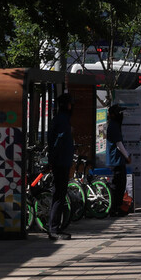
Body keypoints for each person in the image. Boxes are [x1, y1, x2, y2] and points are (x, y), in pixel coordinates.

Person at [47, 93, 76, 241]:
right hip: (60, 163)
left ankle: (55, 227)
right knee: (58, 195)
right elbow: (58, 142)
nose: (72, 107)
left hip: (61, 162)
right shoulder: (62, 121)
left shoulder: (61, 119)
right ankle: (53, 229)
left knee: (59, 195)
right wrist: (53, 160)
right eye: (71, 104)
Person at [106, 105, 131, 217]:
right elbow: (118, 144)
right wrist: (127, 156)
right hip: (116, 160)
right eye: (119, 113)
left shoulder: (114, 125)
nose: (121, 115)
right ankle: (115, 208)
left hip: (117, 160)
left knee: (120, 185)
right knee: (118, 185)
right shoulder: (114, 125)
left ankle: (117, 207)